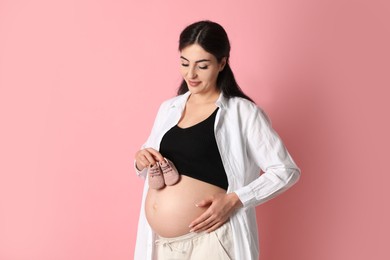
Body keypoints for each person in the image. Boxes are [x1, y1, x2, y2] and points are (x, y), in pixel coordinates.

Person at [133, 20, 300, 260]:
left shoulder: (242, 112)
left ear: (222, 63)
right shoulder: (168, 108)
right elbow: (147, 166)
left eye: (202, 66)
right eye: (184, 63)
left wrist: (235, 199)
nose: (191, 74)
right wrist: (141, 159)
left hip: (212, 241)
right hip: (162, 244)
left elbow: (285, 170)